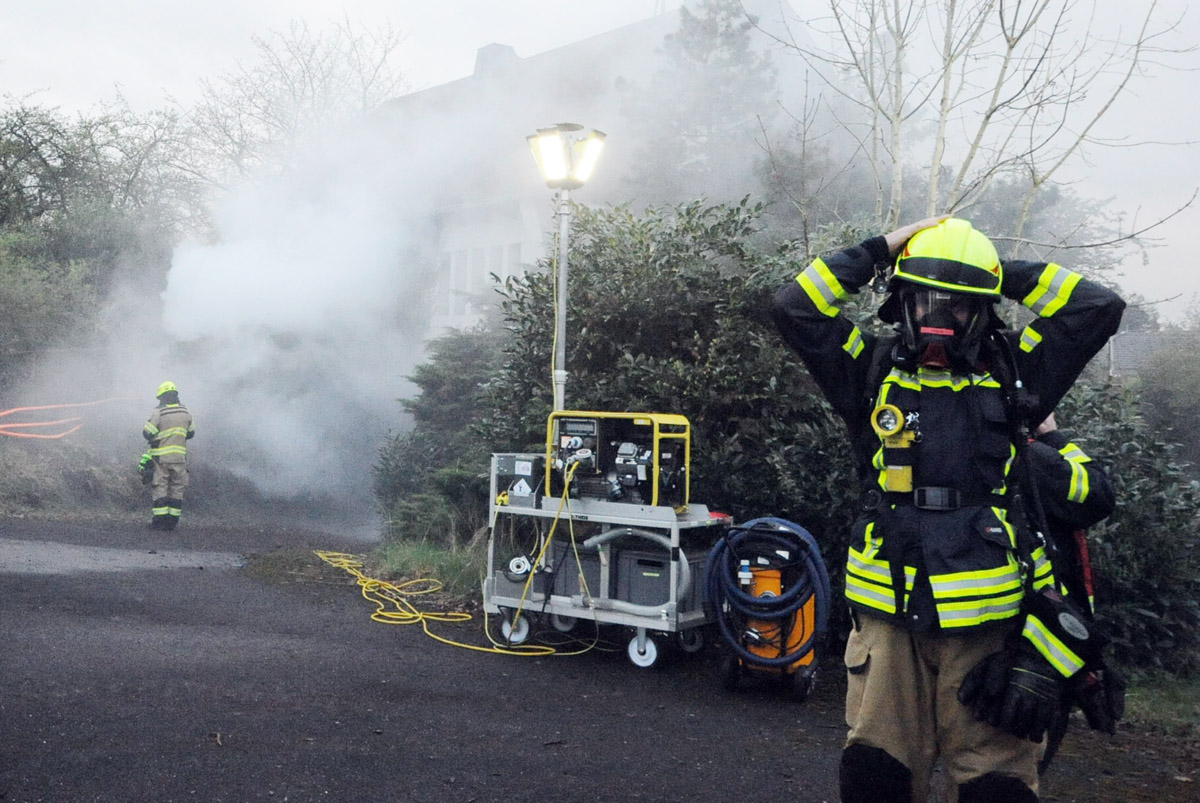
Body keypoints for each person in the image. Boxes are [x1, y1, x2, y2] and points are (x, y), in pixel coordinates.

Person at [771, 217, 1124, 802]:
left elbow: (1096, 306)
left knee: (995, 788)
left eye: (959, 305)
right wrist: (885, 249)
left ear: (982, 310)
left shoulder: (1013, 369)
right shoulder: (871, 369)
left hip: (989, 623)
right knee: (874, 775)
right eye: (927, 297)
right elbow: (795, 306)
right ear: (901, 302)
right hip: (886, 620)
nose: (940, 317)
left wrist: (985, 268)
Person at [1024, 412, 1122, 776]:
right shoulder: (1030, 457)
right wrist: (1052, 435)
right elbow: (1098, 493)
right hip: (1039, 634)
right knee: (1016, 765)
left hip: (1030, 627)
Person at [142, 380, 196, 531]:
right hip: (180, 458)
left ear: (162, 397)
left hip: (161, 459)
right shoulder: (186, 413)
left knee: (161, 486)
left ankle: (159, 522)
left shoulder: (159, 413)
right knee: (177, 488)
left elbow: (147, 433)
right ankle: (172, 522)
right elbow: (191, 433)